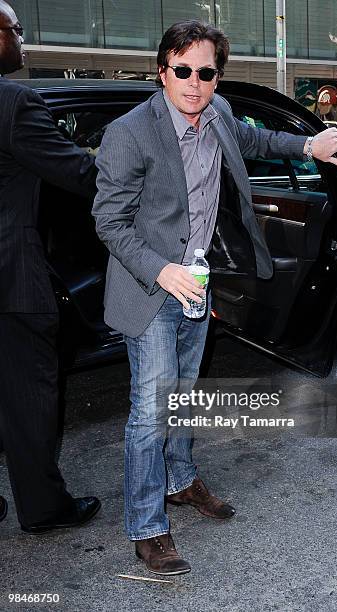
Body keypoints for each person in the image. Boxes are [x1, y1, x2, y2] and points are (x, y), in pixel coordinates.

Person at [92, 20, 337, 575]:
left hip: (198, 283)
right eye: (182, 70)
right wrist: (163, 272)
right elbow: (109, 221)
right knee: (149, 414)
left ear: (216, 77)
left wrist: (307, 144)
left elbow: (257, 139)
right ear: (163, 71)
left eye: (205, 72)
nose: (194, 82)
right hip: (150, 289)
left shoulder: (220, 114)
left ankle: (181, 483)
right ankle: (147, 527)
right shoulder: (131, 133)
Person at [0, 0, 101, 533]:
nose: (24, 40)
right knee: (28, 397)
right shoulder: (15, 103)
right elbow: (79, 173)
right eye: (16, 29)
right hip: (11, 277)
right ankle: (44, 509)